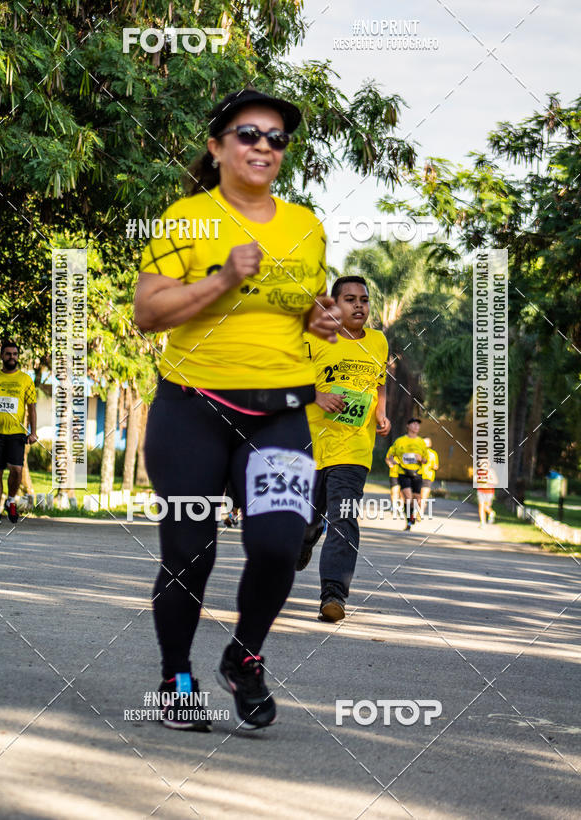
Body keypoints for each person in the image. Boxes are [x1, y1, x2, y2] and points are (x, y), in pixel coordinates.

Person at [134, 88, 340, 731]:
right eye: (249, 134)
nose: (263, 147)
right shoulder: (184, 219)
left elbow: (304, 303)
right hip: (192, 408)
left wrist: (321, 315)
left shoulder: (305, 226)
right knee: (190, 553)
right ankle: (177, 681)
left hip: (279, 411)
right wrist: (222, 278)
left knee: (280, 545)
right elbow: (147, 314)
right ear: (217, 146)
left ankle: (244, 657)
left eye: (276, 138)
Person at [298, 276, 391, 622]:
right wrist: (317, 395)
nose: (359, 305)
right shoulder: (314, 339)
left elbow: (379, 383)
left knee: (345, 516)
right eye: (349, 299)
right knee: (304, 523)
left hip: (353, 449)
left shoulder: (379, 342)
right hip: (308, 446)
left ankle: (333, 595)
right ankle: (305, 540)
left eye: (364, 299)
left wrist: (381, 413)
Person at [0, 341, 38, 524]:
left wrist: (33, 432)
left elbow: (32, 408)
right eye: (8, 354)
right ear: (1, 356)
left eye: (14, 354)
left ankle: (11, 500)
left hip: (16, 433)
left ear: (17, 356)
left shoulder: (25, 379)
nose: (11, 357)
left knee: (16, 469)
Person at [385, 418, 429, 531]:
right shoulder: (400, 441)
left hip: (417, 474)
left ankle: (413, 515)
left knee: (416, 498)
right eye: (414, 424)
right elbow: (390, 455)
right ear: (408, 426)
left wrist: (421, 459)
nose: (416, 427)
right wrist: (392, 461)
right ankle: (409, 520)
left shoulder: (421, 442)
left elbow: (426, 460)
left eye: (418, 425)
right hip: (403, 473)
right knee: (408, 498)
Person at [420, 436, 439, 518]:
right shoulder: (418, 452)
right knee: (417, 497)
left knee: (424, 496)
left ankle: (420, 513)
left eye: (427, 442)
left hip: (428, 477)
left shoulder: (433, 454)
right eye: (424, 442)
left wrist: (435, 467)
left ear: (430, 444)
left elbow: (436, 466)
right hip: (418, 475)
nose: (426, 444)